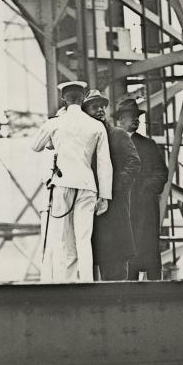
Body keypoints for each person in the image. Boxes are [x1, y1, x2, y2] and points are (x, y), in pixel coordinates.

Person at [31, 81, 113, 282]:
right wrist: (105, 196)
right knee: (83, 239)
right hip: (87, 186)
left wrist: (53, 142)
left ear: (63, 99)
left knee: (61, 238)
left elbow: (35, 146)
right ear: (83, 98)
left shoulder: (55, 123)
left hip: (62, 184)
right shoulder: (96, 126)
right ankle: (86, 281)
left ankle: (63, 282)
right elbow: (104, 163)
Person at [82, 90, 140, 281]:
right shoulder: (82, 138)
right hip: (88, 206)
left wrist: (112, 189)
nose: (100, 110)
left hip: (114, 208)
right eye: (94, 107)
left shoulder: (118, 135)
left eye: (102, 106)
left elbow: (134, 163)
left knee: (115, 259)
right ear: (84, 112)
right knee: (88, 257)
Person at [114, 98, 168, 280]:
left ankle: (156, 292)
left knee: (149, 247)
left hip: (145, 205)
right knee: (126, 249)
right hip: (122, 205)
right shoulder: (111, 145)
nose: (136, 120)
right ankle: (128, 292)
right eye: (131, 116)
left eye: (137, 117)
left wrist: (147, 188)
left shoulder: (148, 145)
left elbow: (162, 173)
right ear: (121, 120)